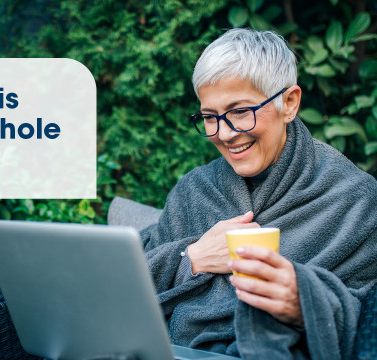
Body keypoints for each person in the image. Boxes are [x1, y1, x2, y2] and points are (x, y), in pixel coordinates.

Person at [141, 28, 377, 359]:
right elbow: (126, 278)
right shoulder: (193, 190)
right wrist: (191, 258)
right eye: (209, 117)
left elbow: (367, 319)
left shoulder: (356, 199)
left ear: (289, 103)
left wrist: (304, 302)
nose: (224, 133)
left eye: (240, 111)